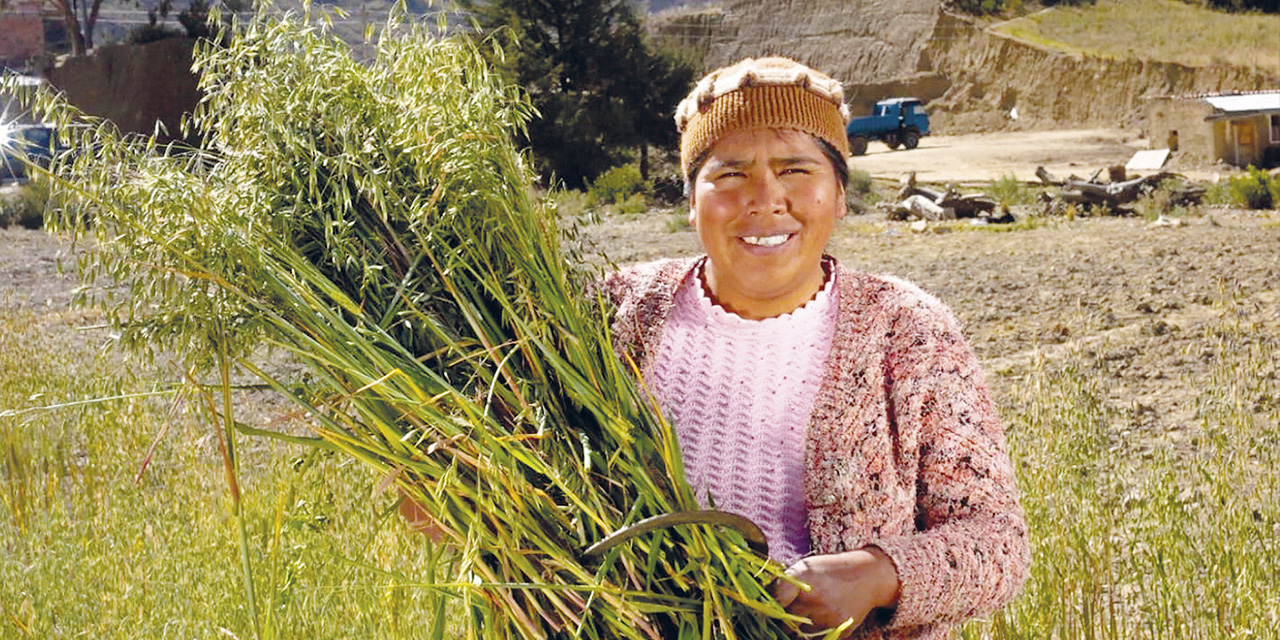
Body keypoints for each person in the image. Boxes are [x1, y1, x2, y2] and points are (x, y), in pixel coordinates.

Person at [599, 56, 1029, 638]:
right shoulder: (613, 313)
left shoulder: (907, 332)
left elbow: (996, 543)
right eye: (730, 175)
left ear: (840, 195)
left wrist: (879, 574)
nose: (765, 199)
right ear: (691, 201)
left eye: (796, 169)